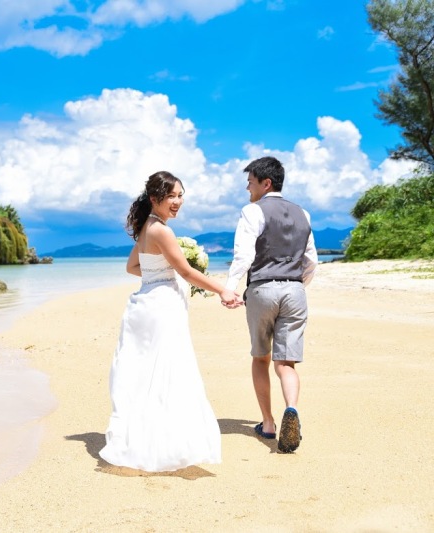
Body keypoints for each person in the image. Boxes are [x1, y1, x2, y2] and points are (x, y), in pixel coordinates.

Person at [99, 171, 241, 472]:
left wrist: (161, 274)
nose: (178, 201)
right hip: (162, 308)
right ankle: (164, 445)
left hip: (145, 304)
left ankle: (146, 439)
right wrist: (223, 290)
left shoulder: (145, 228)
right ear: (155, 199)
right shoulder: (162, 231)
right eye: (172, 196)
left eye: (180, 195)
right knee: (167, 372)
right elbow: (188, 273)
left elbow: (133, 267)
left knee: (147, 373)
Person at [224, 156, 318, 454]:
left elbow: (243, 256)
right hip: (295, 290)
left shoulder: (253, 211)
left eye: (250, 182)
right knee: (285, 363)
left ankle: (267, 424)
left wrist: (229, 288)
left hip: (263, 289)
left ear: (266, 183)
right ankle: (292, 408)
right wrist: (295, 286)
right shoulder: (303, 213)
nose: (247, 188)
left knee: (261, 358)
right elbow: (311, 260)